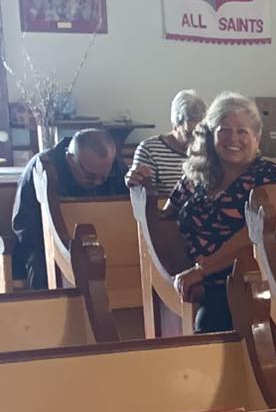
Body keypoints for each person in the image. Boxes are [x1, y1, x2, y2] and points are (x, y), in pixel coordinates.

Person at [167, 92, 276, 333]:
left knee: (210, 320)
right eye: (224, 130)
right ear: (211, 135)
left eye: (242, 131)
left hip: (261, 281)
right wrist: (137, 182)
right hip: (203, 282)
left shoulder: (271, 175)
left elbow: (256, 236)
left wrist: (202, 270)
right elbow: (165, 218)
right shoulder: (196, 176)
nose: (234, 138)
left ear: (257, 138)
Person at [10, 129, 126, 290]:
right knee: (40, 262)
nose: (99, 182)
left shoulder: (116, 168)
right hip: (48, 248)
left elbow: (126, 214)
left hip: (103, 244)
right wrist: (63, 247)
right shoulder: (41, 168)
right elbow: (23, 225)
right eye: (91, 176)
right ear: (70, 159)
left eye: (105, 177)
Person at [126, 89, 207, 193]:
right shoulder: (149, 150)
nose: (195, 140)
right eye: (188, 133)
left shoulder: (207, 149)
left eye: (199, 134)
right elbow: (142, 194)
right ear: (175, 125)